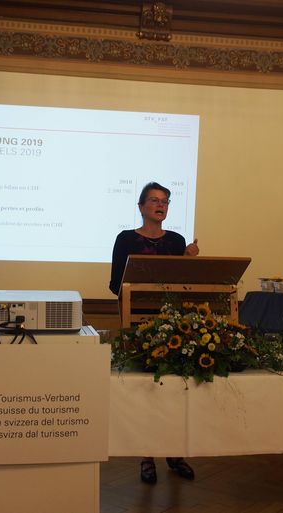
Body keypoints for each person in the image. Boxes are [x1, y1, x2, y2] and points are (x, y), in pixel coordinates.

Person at [109, 181, 199, 484]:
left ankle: (174, 452)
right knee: (148, 390)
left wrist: (188, 261)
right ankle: (147, 457)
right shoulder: (125, 239)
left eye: (165, 201)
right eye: (154, 200)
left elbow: (183, 282)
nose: (161, 205)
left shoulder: (176, 241)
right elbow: (115, 284)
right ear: (141, 206)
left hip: (174, 322)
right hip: (140, 323)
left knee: (175, 390)